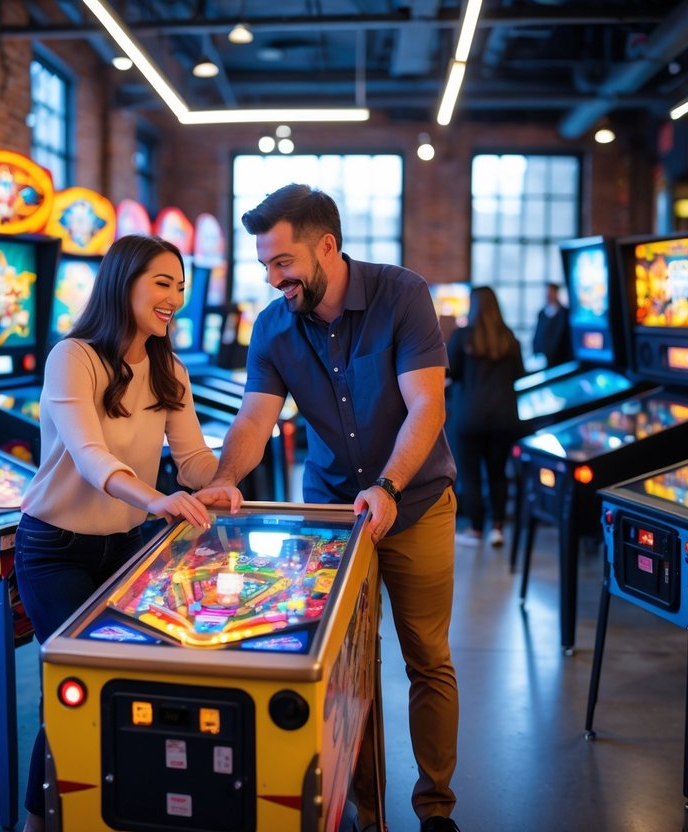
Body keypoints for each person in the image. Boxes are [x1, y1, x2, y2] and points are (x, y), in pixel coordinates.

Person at [195, 184, 461, 832]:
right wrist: (228, 476)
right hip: (334, 516)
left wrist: (389, 488)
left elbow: (426, 404)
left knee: (425, 655)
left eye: (280, 262)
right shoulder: (272, 325)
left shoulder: (401, 294)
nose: (271, 277)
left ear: (326, 247)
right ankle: (367, 814)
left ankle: (433, 806)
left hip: (416, 502)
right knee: (350, 666)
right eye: (263, 264)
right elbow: (256, 417)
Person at [13, 234, 240, 832]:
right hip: (54, 548)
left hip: (127, 548)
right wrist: (160, 499)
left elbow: (191, 458)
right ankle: (38, 822)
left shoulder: (170, 367)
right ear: (124, 283)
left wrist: (224, 481)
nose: (175, 298)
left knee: (125, 684)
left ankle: (110, 811)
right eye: (163, 283)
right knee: (72, 685)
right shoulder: (74, 356)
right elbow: (90, 457)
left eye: (181, 287)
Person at [447, 286, 525, 547]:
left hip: (469, 417)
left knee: (470, 475)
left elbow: (451, 374)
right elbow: (519, 375)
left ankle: (477, 530)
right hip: (504, 417)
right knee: (498, 474)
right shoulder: (509, 337)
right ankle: (498, 528)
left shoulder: (462, 337)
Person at [532, 280, 572, 367]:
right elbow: (537, 335)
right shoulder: (542, 313)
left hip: (559, 360)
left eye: (551, 292)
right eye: (548, 292)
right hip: (542, 358)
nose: (549, 295)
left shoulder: (565, 313)